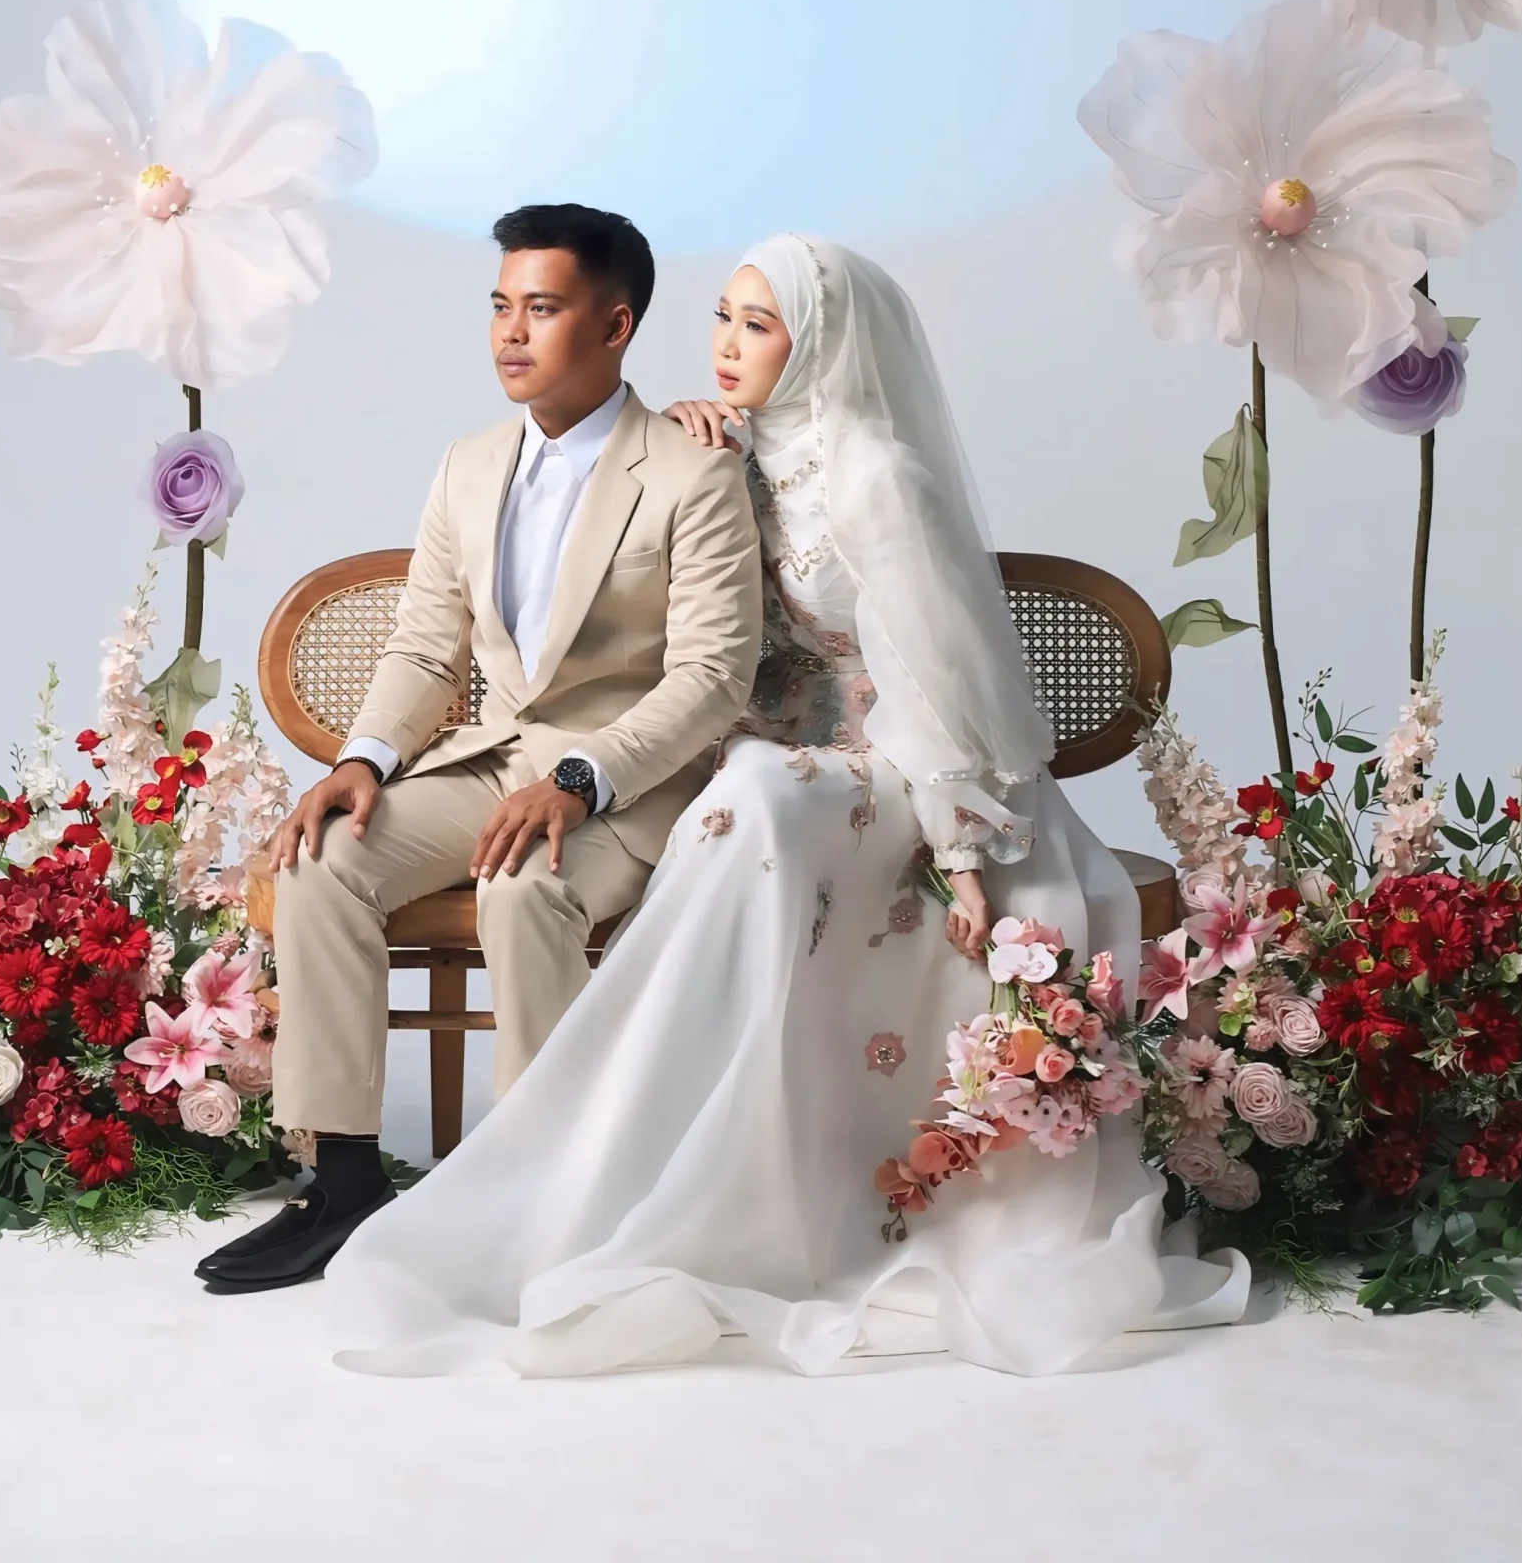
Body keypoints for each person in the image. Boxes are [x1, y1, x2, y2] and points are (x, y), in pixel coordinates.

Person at [322, 235, 1248, 1375]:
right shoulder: (722, 446)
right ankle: (607, 1159)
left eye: (758, 326)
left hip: (892, 763)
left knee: (753, 793)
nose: (725, 344)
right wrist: (695, 441)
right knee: (745, 787)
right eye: (722, 316)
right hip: (761, 758)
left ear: (821, 344)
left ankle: (681, 1179)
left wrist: (960, 854)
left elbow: (933, 681)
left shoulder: (877, 476)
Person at [195, 202, 763, 1296]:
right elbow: (425, 646)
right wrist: (363, 758)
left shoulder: (691, 472)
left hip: (626, 782)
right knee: (321, 859)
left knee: (524, 891)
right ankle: (343, 1184)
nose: (510, 331)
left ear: (615, 324)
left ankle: (549, 1188)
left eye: (541, 308)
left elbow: (711, 677)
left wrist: (583, 778)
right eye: (501, 306)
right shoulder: (467, 465)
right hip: (491, 759)